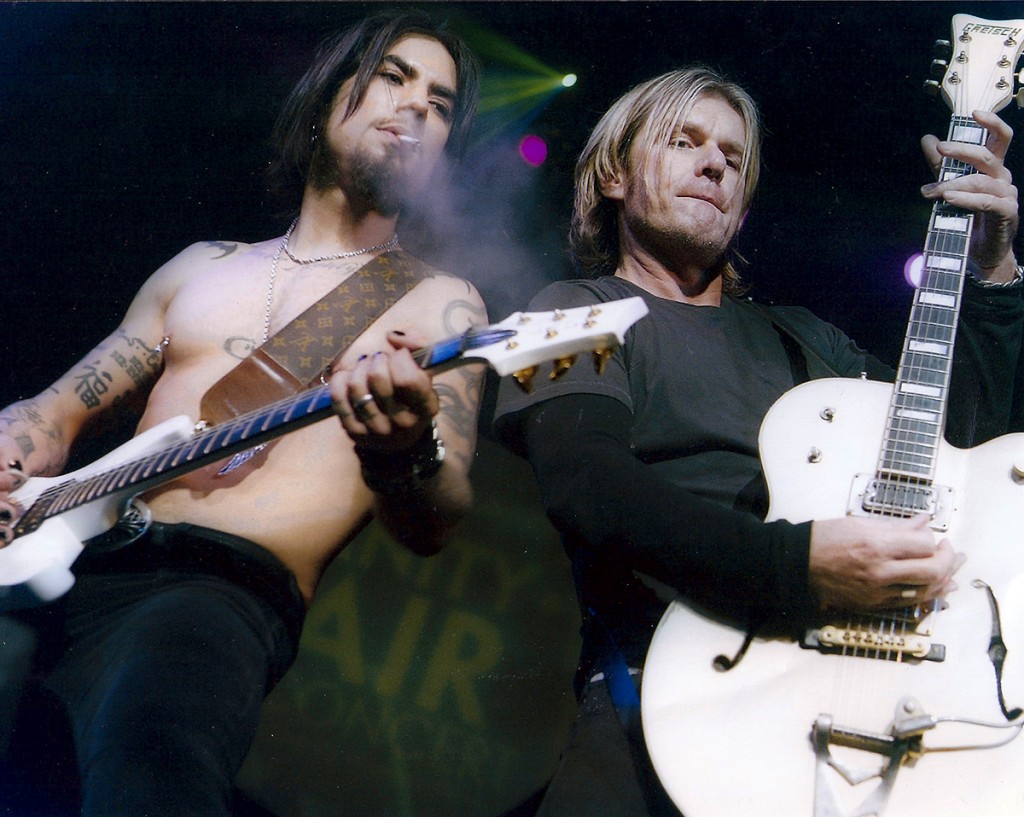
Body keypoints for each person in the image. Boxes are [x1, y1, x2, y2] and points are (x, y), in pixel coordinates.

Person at [494, 67, 1022, 816]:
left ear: (742, 208)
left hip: (871, 706)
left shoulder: (807, 341)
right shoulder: (563, 314)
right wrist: (799, 566)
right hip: (657, 707)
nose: (714, 162)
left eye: (734, 158)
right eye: (685, 141)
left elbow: (964, 456)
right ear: (613, 173)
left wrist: (994, 269)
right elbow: (587, 485)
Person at [0, 11, 484, 816]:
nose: (416, 110)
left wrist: (403, 450)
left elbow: (439, 514)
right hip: (62, 561)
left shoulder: (440, 303)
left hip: (216, 591)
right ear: (330, 94)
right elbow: (53, 413)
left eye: (440, 104)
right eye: (394, 78)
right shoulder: (200, 267)